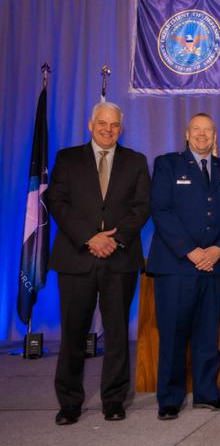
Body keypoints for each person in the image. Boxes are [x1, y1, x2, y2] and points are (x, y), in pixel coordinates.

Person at [46, 101, 150, 425]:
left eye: (114, 125)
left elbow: (142, 207)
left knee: (117, 333)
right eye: (102, 123)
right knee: (73, 333)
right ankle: (70, 402)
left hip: (119, 260)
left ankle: (114, 400)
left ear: (121, 128)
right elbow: (55, 201)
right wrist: (90, 237)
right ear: (91, 125)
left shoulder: (135, 161)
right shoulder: (67, 158)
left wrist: (114, 240)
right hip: (77, 258)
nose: (108, 129)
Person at [147, 113, 220, 421]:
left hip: (214, 265)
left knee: (207, 333)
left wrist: (217, 249)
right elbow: (161, 210)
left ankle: (207, 392)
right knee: (174, 334)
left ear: (215, 136)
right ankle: (170, 398)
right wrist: (191, 251)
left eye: (208, 131)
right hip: (177, 265)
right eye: (197, 130)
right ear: (187, 134)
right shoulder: (167, 164)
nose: (202, 135)